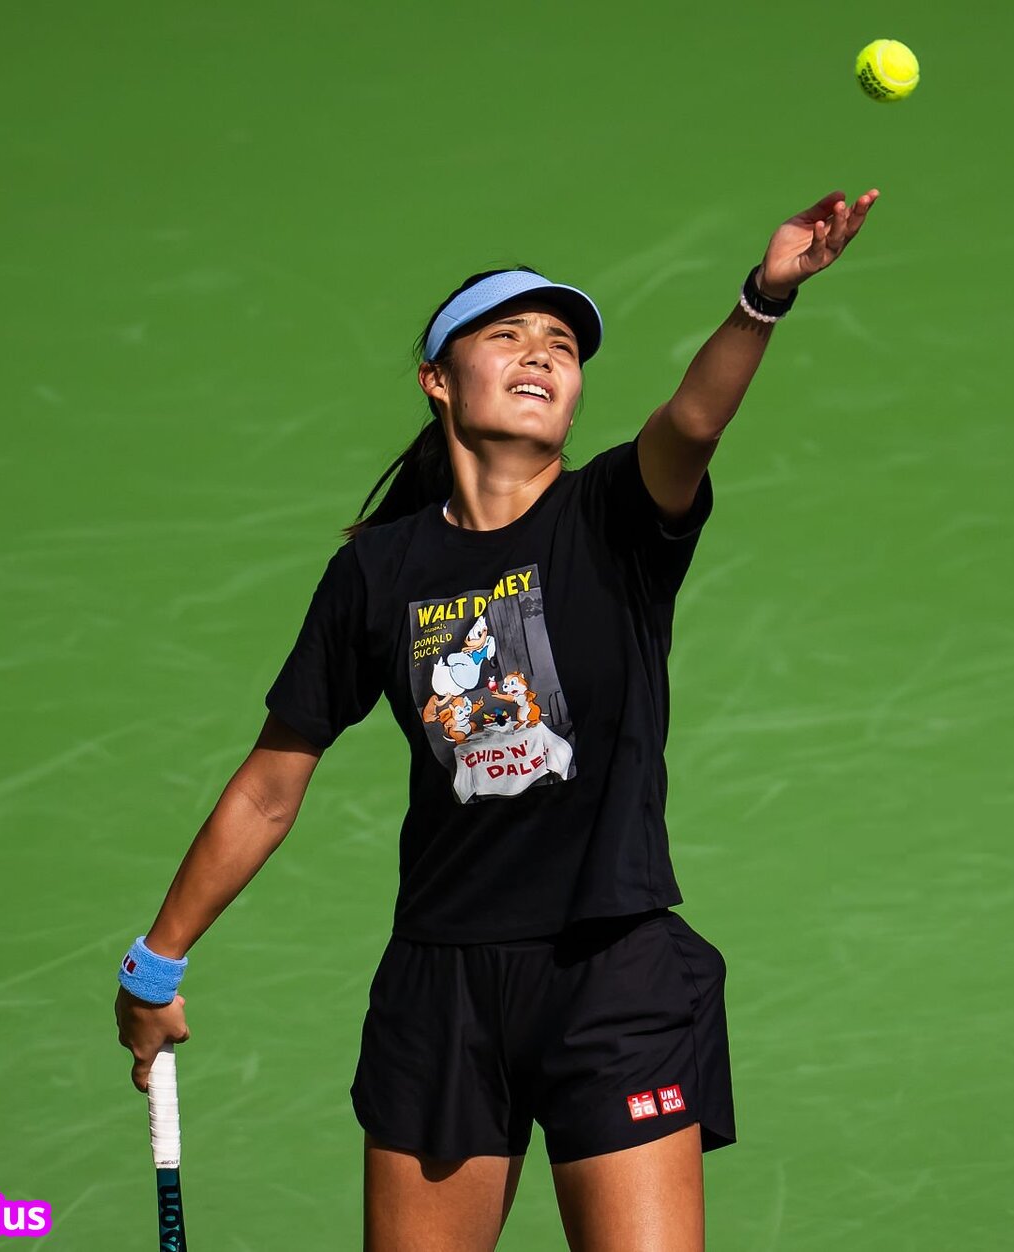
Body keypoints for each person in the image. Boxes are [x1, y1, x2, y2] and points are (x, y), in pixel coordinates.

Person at [115, 188, 880, 1251]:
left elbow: (694, 422)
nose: (542, 355)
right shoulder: (376, 575)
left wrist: (763, 299)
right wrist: (157, 961)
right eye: (508, 335)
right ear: (438, 378)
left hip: (611, 974)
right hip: (443, 991)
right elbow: (270, 786)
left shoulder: (614, 517)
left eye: (562, 346)